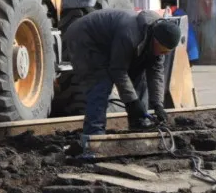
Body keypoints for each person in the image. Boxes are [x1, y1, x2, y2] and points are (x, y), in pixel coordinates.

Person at [64, 9, 180, 141]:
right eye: (162, 50)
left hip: (113, 44)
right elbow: (118, 70)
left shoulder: (159, 40)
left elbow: (156, 73)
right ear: (155, 39)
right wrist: (132, 102)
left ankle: (139, 124)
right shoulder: (130, 35)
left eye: (167, 52)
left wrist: (158, 104)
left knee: (139, 77)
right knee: (101, 84)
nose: (162, 54)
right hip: (85, 38)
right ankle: (94, 135)